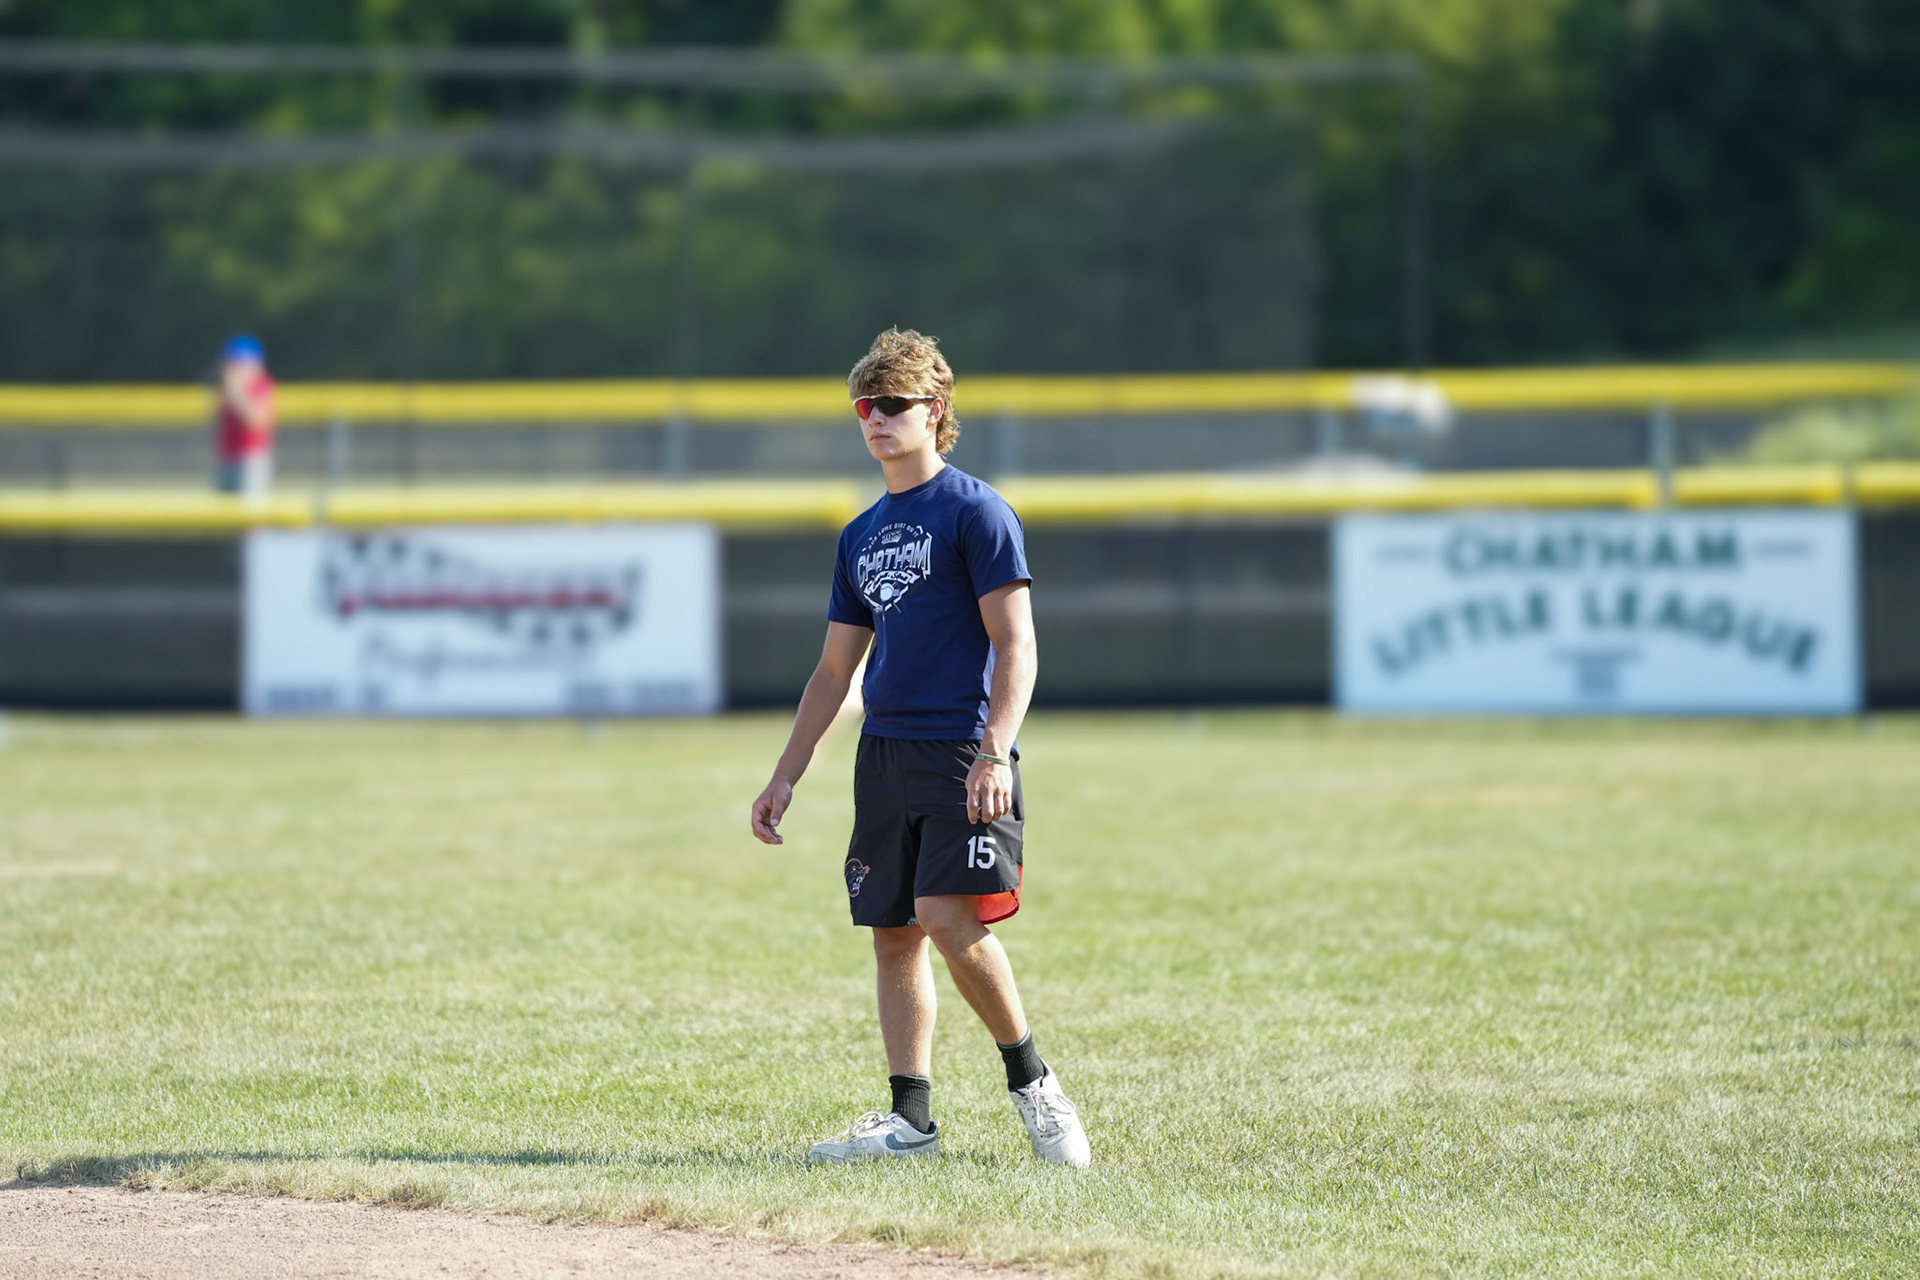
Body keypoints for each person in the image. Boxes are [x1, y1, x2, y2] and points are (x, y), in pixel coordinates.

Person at [749, 327, 1090, 1167]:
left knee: (946, 917)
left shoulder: (977, 511)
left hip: (960, 751)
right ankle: (911, 1123)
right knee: (894, 931)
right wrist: (786, 775)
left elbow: (1017, 643)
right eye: (864, 406)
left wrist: (994, 751)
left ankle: (1035, 1085)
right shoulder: (860, 533)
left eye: (892, 404)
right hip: (884, 755)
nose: (875, 418)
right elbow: (835, 671)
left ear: (934, 411)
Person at [213, 334, 276, 497]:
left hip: (251, 461)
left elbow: (256, 422)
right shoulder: (224, 389)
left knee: (249, 510)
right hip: (227, 458)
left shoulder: (262, 385)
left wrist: (238, 394)